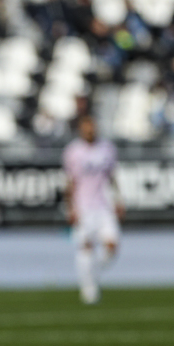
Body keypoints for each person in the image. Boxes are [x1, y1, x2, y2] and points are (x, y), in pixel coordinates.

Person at [62, 116, 123, 305]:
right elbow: (70, 182)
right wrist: (70, 208)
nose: (90, 131)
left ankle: (92, 274)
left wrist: (119, 200)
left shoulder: (107, 149)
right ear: (81, 130)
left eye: (92, 128)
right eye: (86, 129)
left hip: (104, 206)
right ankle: (88, 288)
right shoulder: (73, 151)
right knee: (86, 247)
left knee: (112, 247)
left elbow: (112, 177)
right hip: (83, 207)